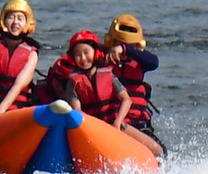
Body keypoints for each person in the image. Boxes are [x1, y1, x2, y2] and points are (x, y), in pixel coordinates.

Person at [64, 30, 164, 158]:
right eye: (78, 55)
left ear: (95, 52)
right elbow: (77, 111)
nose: (83, 58)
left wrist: (117, 123)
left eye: (86, 52)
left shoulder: (108, 74)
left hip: (116, 124)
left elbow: (127, 100)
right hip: (94, 128)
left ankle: (160, 169)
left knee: (157, 150)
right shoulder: (74, 81)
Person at [103, 13, 165, 154]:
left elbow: (154, 62)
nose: (122, 50)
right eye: (119, 44)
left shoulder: (141, 63)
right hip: (112, 121)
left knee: (161, 152)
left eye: (130, 46)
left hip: (138, 125)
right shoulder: (102, 59)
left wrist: (125, 49)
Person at [0, 0, 41, 118]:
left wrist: (0, 111)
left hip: (14, 112)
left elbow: (18, 85)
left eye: (20, 19)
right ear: (3, 20)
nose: (15, 22)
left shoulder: (32, 53)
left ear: (27, 23)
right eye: (11, 17)